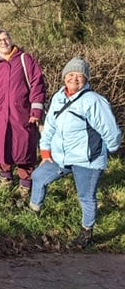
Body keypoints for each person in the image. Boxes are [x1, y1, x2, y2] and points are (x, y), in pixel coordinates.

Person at [29, 57, 122, 248]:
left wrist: (107, 151)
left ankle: (87, 233)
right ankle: (33, 213)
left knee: (86, 196)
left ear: (86, 79)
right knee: (38, 177)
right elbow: (50, 127)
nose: (74, 79)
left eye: (79, 76)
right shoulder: (58, 97)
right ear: (64, 77)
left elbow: (111, 131)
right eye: (70, 74)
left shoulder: (94, 101)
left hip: (87, 159)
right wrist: (45, 152)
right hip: (61, 156)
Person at [0, 28, 47, 197]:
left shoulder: (25, 60)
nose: (3, 43)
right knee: (0, 148)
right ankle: (5, 180)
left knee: (24, 149)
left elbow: (38, 85)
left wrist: (36, 110)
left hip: (21, 114)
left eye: (6, 39)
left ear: (11, 39)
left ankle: (25, 186)